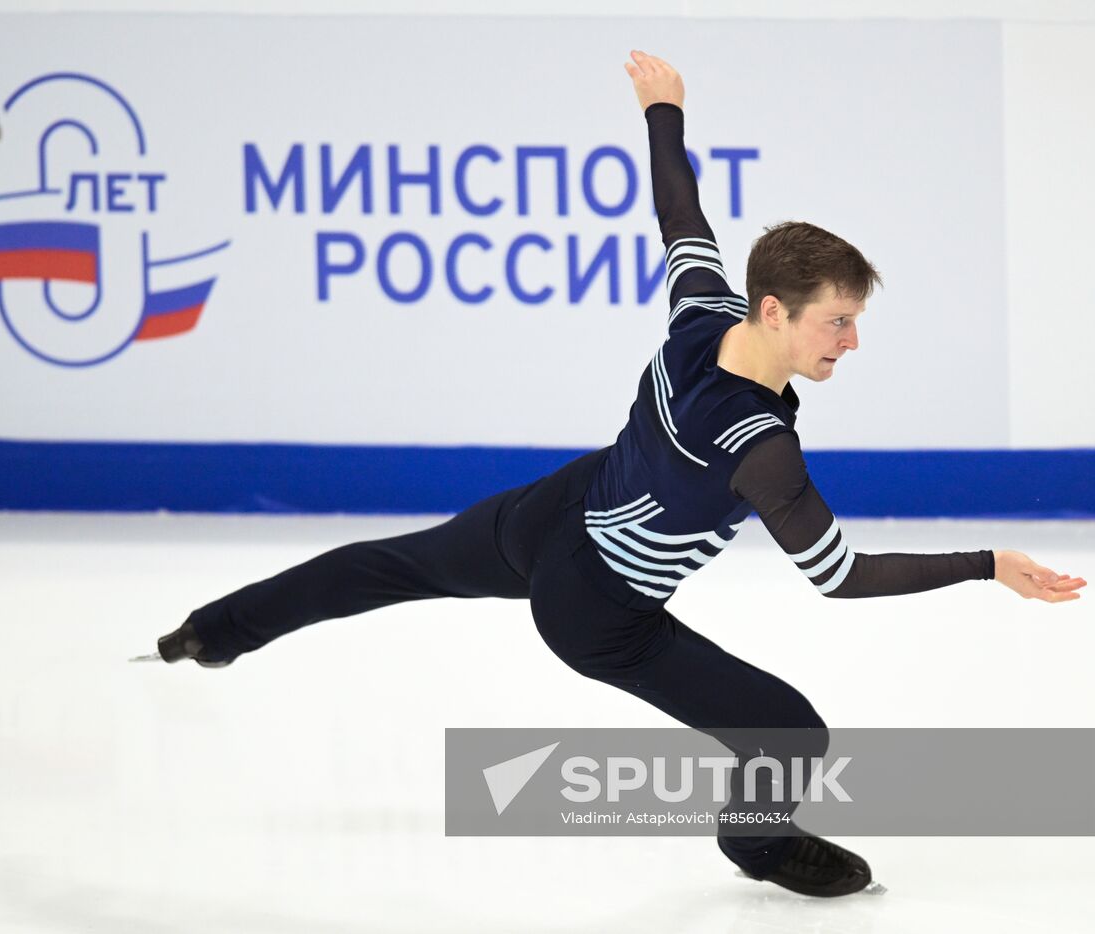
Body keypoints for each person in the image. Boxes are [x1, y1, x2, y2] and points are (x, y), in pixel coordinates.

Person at [152, 50, 1086, 897]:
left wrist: (663, 111)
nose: (851, 340)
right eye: (836, 322)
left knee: (391, 565)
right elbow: (839, 578)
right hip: (599, 612)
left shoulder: (703, 312)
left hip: (552, 511)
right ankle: (757, 846)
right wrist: (985, 563)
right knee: (791, 733)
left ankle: (215, 631)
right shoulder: (762, 446)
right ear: (775, 310)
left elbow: (680, 211)